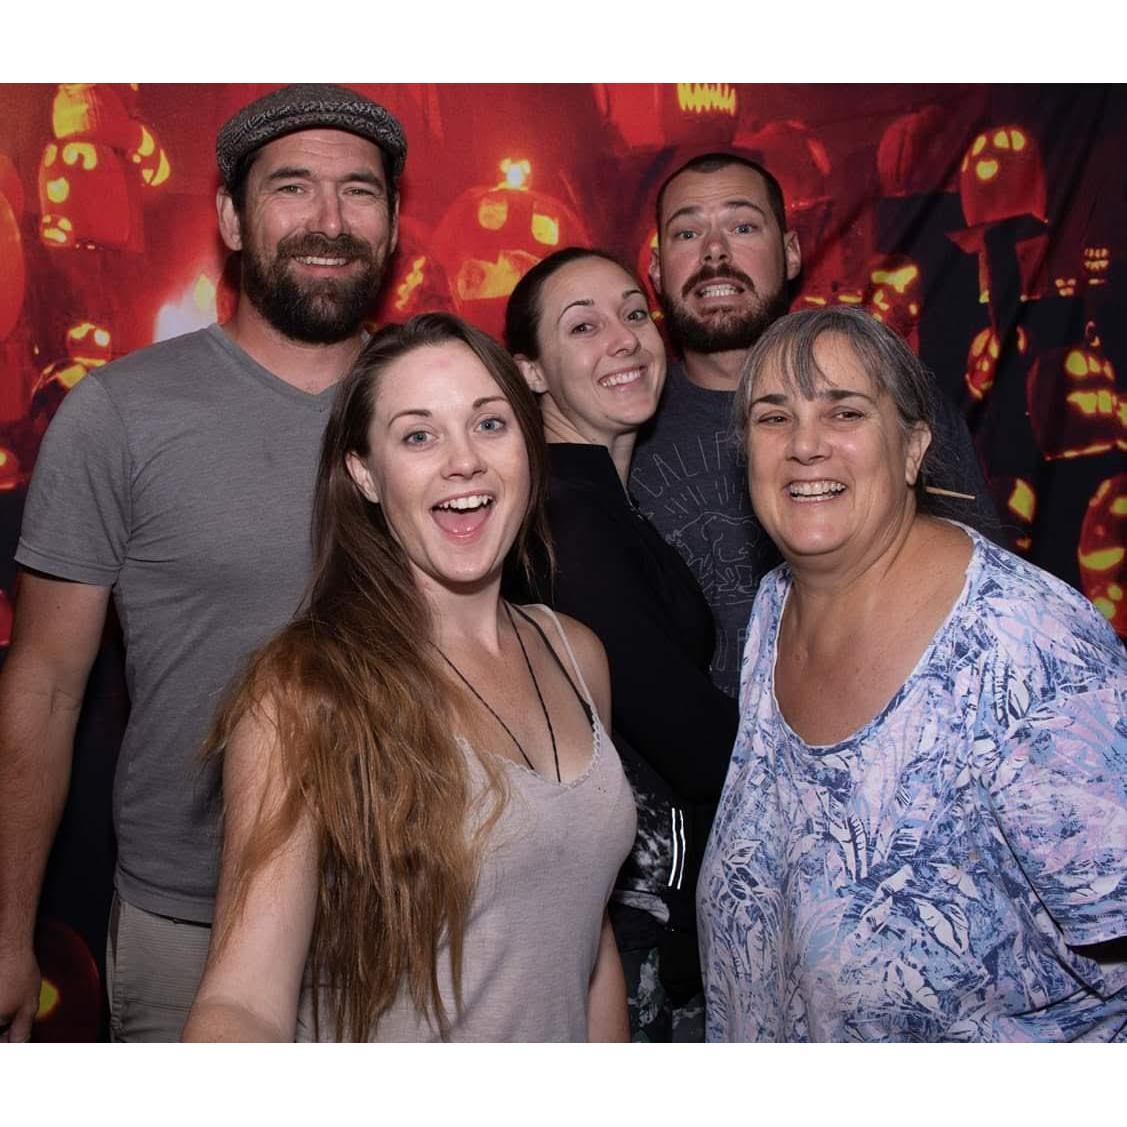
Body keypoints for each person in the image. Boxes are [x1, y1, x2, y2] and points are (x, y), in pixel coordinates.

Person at [0, 84, 406, 1043]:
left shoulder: (443, 410)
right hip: (190, 921)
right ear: (230, 217)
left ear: (391, 225)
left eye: (359, 192)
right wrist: (8, 928)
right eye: (292, 189)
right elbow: (48, 684)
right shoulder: (119, 413)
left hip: (416, 907)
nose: (328, 221)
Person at [182, 313, 634, 1042]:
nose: (463, 461)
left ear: (529, 445)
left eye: (489, 424)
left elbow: (588, 942)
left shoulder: (577, 655)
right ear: (364, 471)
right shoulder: (305, 691)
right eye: (418, 435)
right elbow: (243, 1001)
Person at [697, 306, 1127, 1042]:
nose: (804, 445)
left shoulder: (1023, 644)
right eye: (774, 418)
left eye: (845, 412)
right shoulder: (775, 607)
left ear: (911, 448)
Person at [630, 152, 999, 698]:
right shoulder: (620, 433)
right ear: (658, 269)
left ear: (791, 251)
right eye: (687, 233)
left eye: (743, 225)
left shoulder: (888, 394)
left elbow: (983, 594)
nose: (714, 250)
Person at [504, 248, 737, 1041]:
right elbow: (695, 746)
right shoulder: (567, 515)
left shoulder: (602, 500)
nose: (625, 338)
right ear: (531, 371)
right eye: (583, 326)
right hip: (622, 941)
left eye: (635, 313)